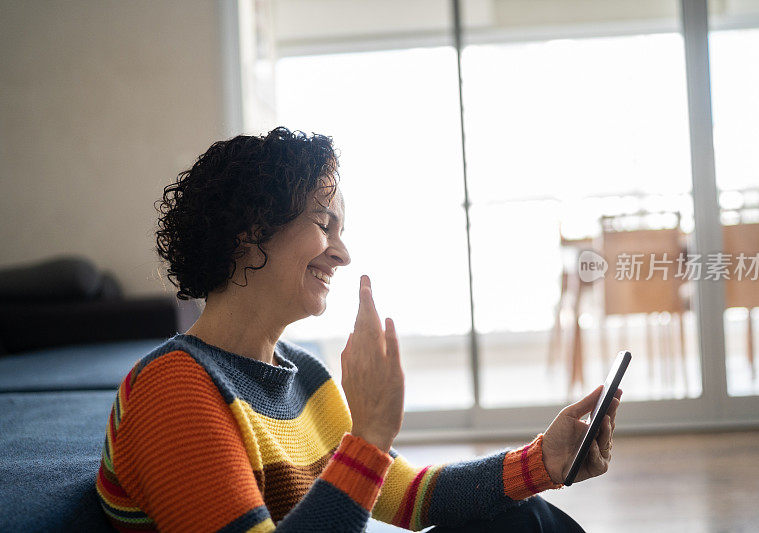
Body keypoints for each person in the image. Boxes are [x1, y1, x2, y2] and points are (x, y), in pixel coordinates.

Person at [95, 127, 622, 533]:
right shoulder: (175, 391)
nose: (343, 254)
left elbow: (406, 495)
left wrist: (543, 461)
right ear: (250, 232)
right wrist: (367, 439)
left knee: (519, 519)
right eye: (324, 224)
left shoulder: (304, 373)